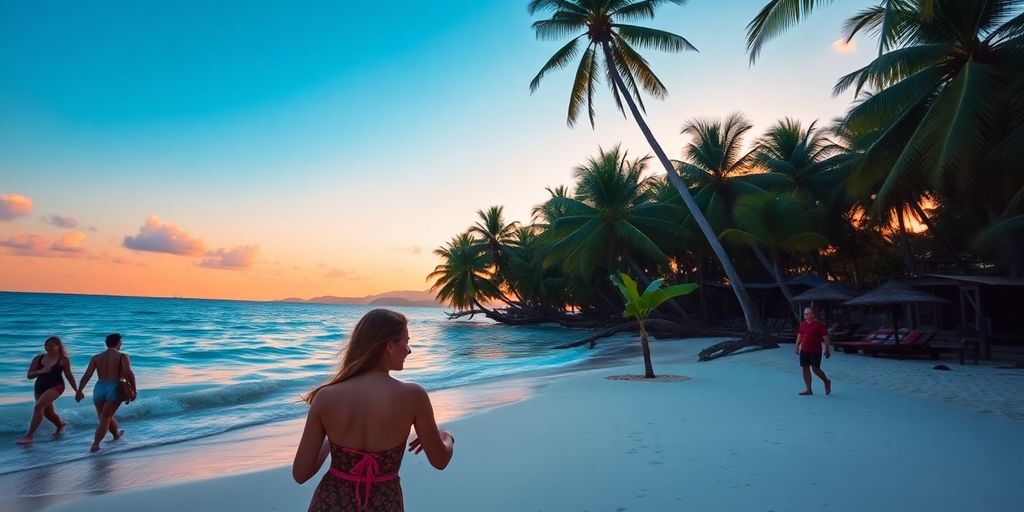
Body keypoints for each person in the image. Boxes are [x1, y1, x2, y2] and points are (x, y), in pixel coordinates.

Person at [293, 309, 454, 512]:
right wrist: (447, 437)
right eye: (406, 341)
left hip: (330, 503)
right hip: (384, 504)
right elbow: (440, 461)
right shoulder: (413, 396)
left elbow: (300, 474)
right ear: (388, 345)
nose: (409, 350)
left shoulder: (326, 397)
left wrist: (330, 442)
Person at [75, 333, 136, 452]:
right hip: (114, 387)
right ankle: (95, 444)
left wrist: (79, 390)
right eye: (121, 342)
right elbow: (128, 373)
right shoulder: (122, 356)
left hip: (99, 387)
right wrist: (134, 389)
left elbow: (87, 375)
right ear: (118, 343)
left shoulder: (96, 357)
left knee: (104, 417)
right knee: (105, 418)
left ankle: (116, 435)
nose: (121, 344)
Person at [16, 336, 78, 445]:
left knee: (38, 406)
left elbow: (69, 375)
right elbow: (29, 376)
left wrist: (77, 390)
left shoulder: (63, 359)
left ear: (58, 346)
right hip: (40, 387)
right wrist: (41, 371)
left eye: (51, 345)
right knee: (47, 413)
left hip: (57, 386)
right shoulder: (38, 358)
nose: (48, 347)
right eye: (46, 345)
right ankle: (60, 425)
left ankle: (29, 436)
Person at [796, 307, 832, 396]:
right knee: (805, 368)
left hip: (815, 350)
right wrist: (797, 345)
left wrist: (827, 349)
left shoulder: (819, 325)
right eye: (805, 314)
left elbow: (826, 338)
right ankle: (808, 389)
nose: (806, 315)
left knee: (815, 369)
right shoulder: (803, 324)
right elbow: (800, 335)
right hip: (804, 350)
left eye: (808, 313)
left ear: (813, 314)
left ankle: (826, 381)